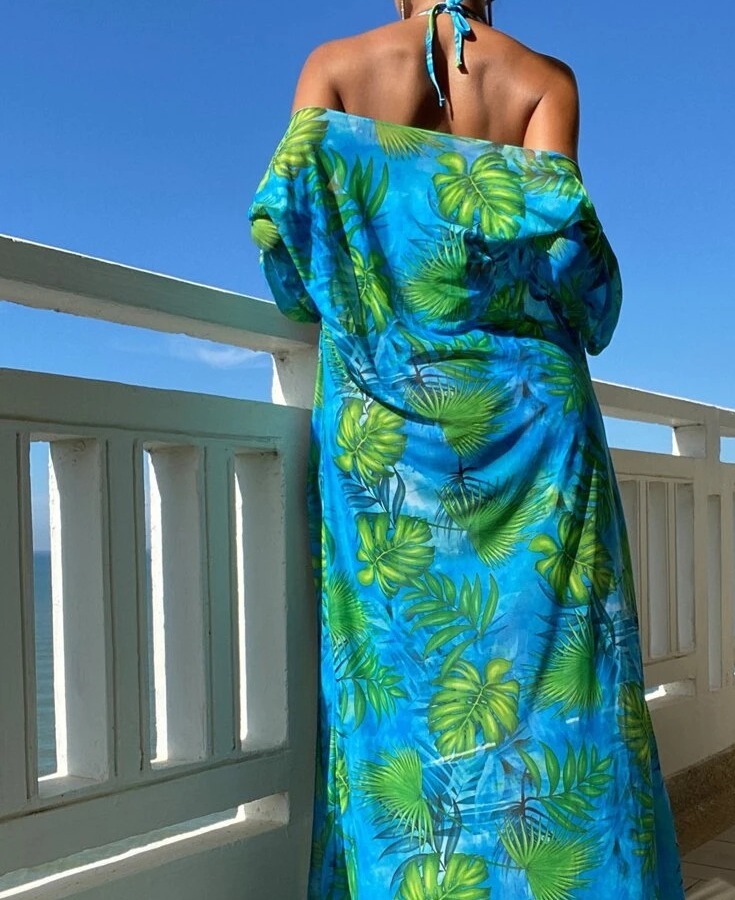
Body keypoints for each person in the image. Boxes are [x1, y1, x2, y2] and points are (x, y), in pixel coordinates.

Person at [249, 1, 685, 897]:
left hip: (386, 434)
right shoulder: (544, 83)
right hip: (534, 432)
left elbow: (291, 268)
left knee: (398, 708)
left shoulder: (332, 69)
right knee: (565, 698)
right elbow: (580, 285)